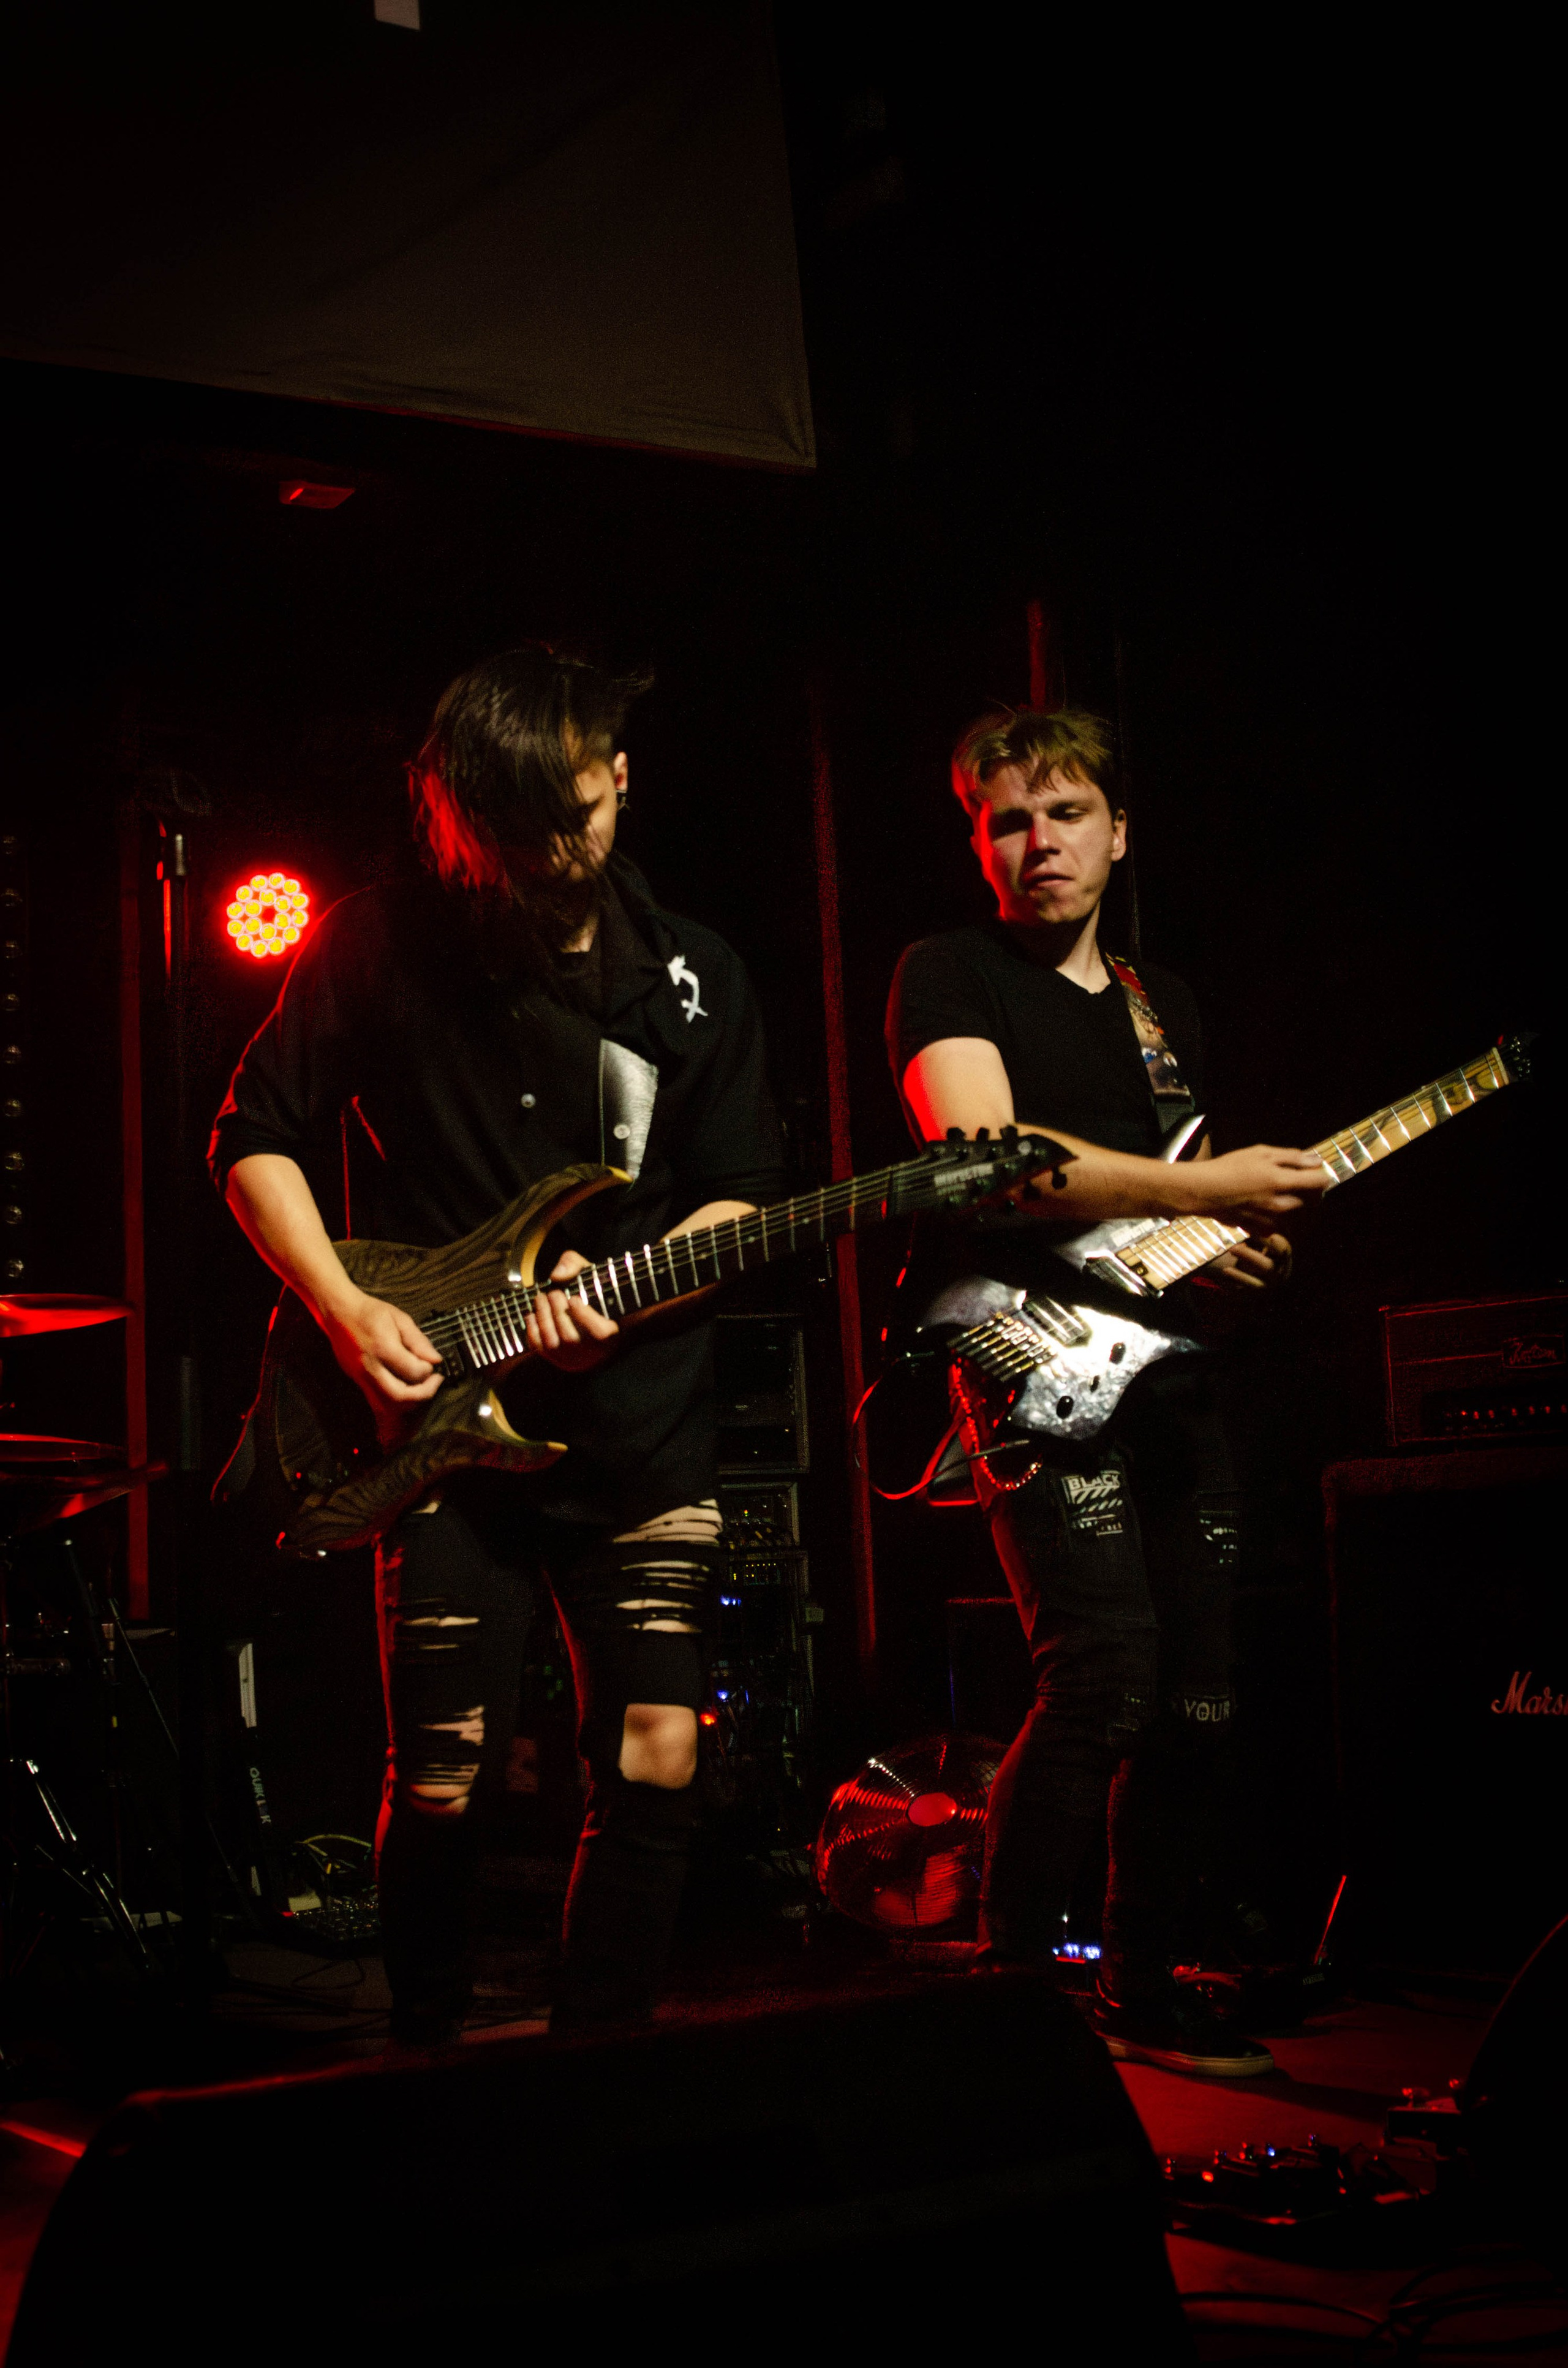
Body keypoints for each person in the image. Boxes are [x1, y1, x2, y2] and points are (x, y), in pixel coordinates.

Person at [211, 645, 783, 2040]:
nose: (551, 854)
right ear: (456, 818)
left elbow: (737, 1193)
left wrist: (630, 1300)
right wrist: (348, 1316)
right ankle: (433, 2054)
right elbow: (254, 1141)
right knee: (446, 1776)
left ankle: (596, 2059)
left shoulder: (695, 978)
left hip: (640, 1422)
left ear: (620, 777)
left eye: (575, 815)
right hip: (443, 1435)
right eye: (513, 833)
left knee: (658, 1755)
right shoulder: (378, 939)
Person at [885, 705, 1329, 2076]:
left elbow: (1171, 1211)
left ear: (1116, 832)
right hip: (1025, 1359)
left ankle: (1143, 1980)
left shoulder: (1158, 1004)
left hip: (1168, 1374)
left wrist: (1230, 1254)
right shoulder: (945, 972)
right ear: (977, 844)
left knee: (1198, 1687)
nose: (1037, 844)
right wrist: (1212, 1186)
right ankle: (1006, 2000)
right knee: (1098, 1675)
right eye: (1005, 820)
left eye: (1063, 814)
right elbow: (986, 1161)